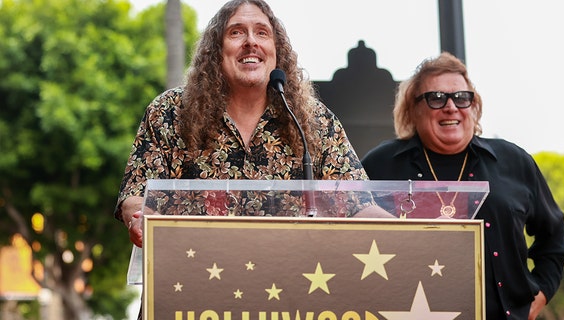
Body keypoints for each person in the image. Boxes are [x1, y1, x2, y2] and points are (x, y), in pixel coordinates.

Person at [114, 0, 391, 249]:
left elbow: (359, 205)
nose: (251, 42)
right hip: (188, 283)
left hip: (287, 292)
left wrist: (416, 232)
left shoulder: (315, 120)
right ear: (215, 51)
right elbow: (136, 196)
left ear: (276, 51)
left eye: (262, 32)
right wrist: (142, 218)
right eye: (236, 32)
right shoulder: (170, 112)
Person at [361, 52, 564, 320]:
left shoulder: (514, 161)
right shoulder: (381, 165)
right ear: (413, 109)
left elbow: (555, 239)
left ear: (474, 107)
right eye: (436, 98)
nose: (451, 107)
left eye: (462, 97)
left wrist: (541, 294)